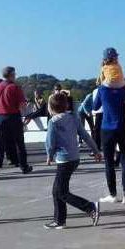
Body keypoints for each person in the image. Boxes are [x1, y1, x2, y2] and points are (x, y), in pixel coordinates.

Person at [43, 92, 103, 230]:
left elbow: (50, 142)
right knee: (56, 190)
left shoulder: (53, 122)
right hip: (75, 158)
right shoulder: (73, 118)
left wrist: (49, 155)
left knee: (61, 192)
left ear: (50, 108)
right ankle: (59, 220)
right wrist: (95, 150)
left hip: (64, 160)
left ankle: (89, 207)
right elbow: (85, 135)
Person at [93, 78, 125, 204]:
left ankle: (112, 194)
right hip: (124, 127)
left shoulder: (102, 89)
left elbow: (95, 106)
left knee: (109, 163)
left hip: (107, 128)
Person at [0, 66, 33, 179]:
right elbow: (22, 105)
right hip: (13, 117)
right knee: (19, 143)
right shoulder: (15, 87)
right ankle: (24, 166)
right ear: (11, 74)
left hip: (0, 118)